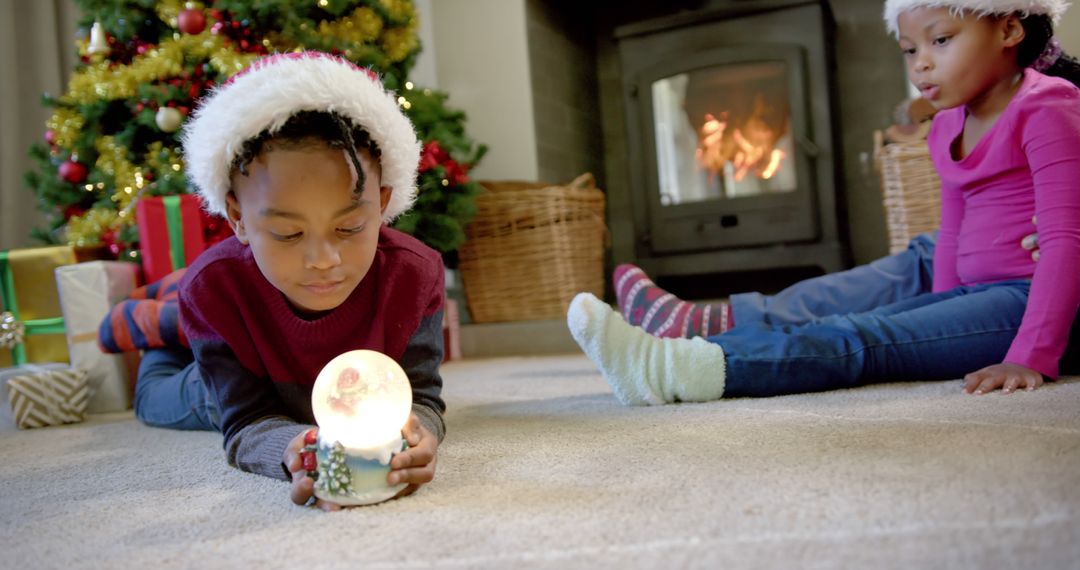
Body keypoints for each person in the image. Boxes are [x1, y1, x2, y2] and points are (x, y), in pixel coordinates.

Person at [568, 0, 1080, 405]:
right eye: (908, 49)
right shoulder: (946, 124)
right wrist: (938, 317)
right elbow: (951, 233)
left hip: (1029, 294)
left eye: (941, 40)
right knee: (916, 260)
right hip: (979, 284)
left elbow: (1065, 241)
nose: (921, 62)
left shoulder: (1048, 109)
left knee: (863, 336)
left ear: (1010, 30)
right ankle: (706, 325)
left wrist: (1029, 356)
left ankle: (675, 368)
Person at [133, 52, 445, 510]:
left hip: (332, 387)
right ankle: (162, 328)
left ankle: (173, 317)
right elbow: (246, 421)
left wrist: (418, 433)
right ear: (237, 217)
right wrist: (289, 450)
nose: (323, 260)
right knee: (154, 400)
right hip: (248, 369)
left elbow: (422, 399)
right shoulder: (215, 288)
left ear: (381, 205)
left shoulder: (414, 274)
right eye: (288, 233)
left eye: (349, 228)